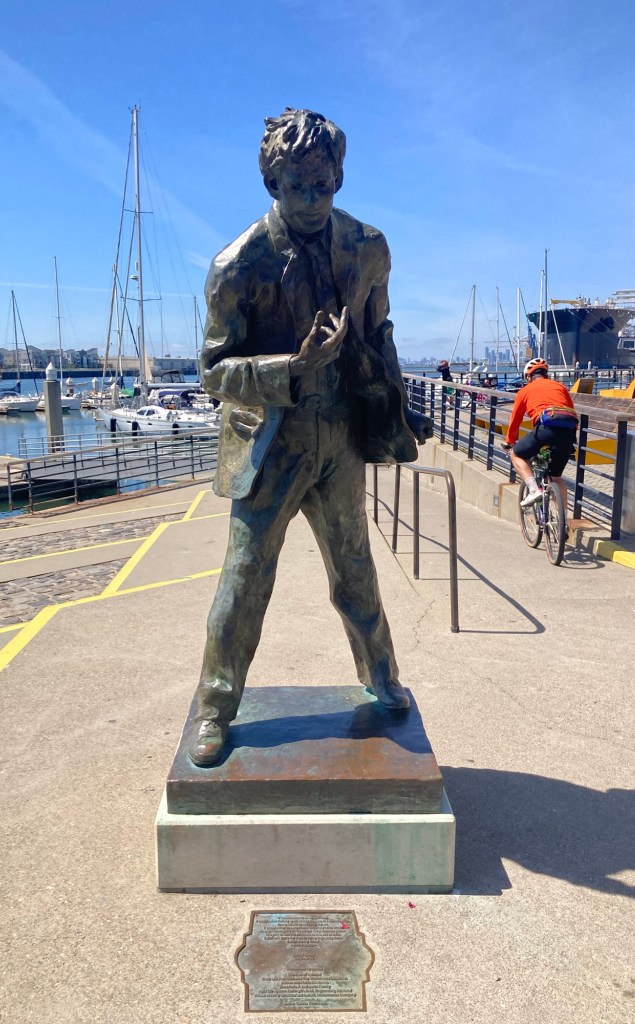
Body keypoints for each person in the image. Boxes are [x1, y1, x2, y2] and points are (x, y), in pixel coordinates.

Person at [188, 108, 433, 767]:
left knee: (355, 568)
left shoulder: (368, 246)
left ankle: (381, 674)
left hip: (341, 436)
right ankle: (215, 705)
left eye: (322, 185)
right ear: (272, 182)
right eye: (296, 186)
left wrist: (399, 404)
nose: (311, 200)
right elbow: (213, 371)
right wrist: (291, 369)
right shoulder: (237, 265)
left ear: (338, 179)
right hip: (271, 441)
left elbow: (379, 333)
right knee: (245, 576)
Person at [503, 357, 579, 512]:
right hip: (567, 433)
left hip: (545, 429)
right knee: (556, 478)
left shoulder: (525, 391)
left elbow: (515, 420)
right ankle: (563, 520)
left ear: (528, 377)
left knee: (516, 454)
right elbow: (571, 411)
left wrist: (510, 441)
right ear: (546, 375)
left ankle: (533, 490)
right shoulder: (560, 386)